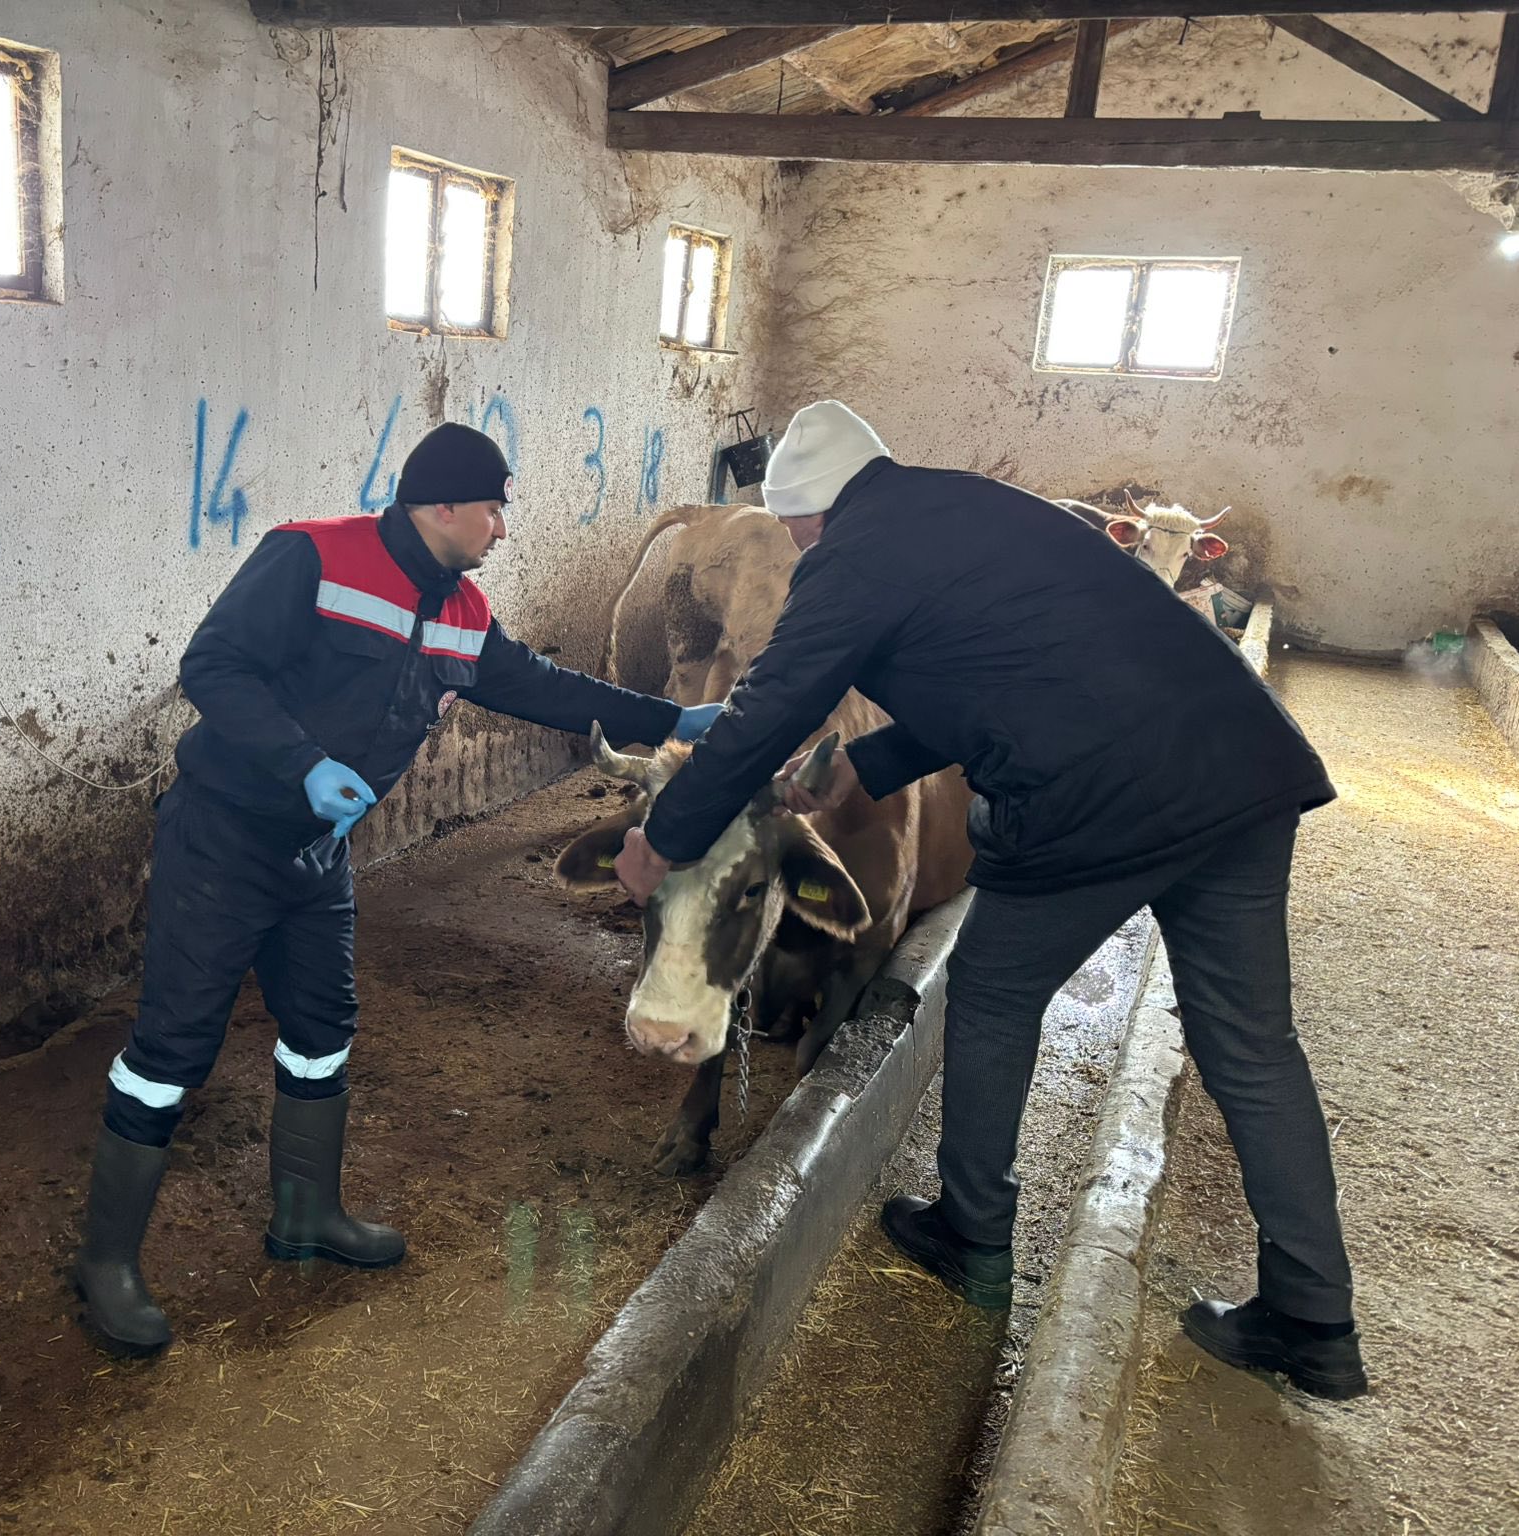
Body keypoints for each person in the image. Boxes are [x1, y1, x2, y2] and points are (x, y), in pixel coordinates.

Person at [612, 400, 1368, 1401]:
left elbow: (768, 707)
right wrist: (865, 766)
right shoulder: (978, 509)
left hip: (1099, 800)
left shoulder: (849, 553)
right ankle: (1313, 1321)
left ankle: (968, 1234)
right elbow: (1000, 674)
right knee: (1252, 1048)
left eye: (795, 528)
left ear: (812, 515)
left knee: (992, 994)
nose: (793, 542)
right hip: (1241, 775)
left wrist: (661, 840)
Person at [74, 422, 723, 1356]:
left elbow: (538, 685)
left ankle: (306, 1214)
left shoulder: (461, 611)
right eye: (495, 508)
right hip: (224, 837)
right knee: (171, 1046)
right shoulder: (311, 557)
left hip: (316, 854)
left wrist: (672, 718)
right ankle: (107, 1262)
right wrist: (299, 765)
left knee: (322, 1033)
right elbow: (212, 665)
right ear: (444, 505)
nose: (503, 528)